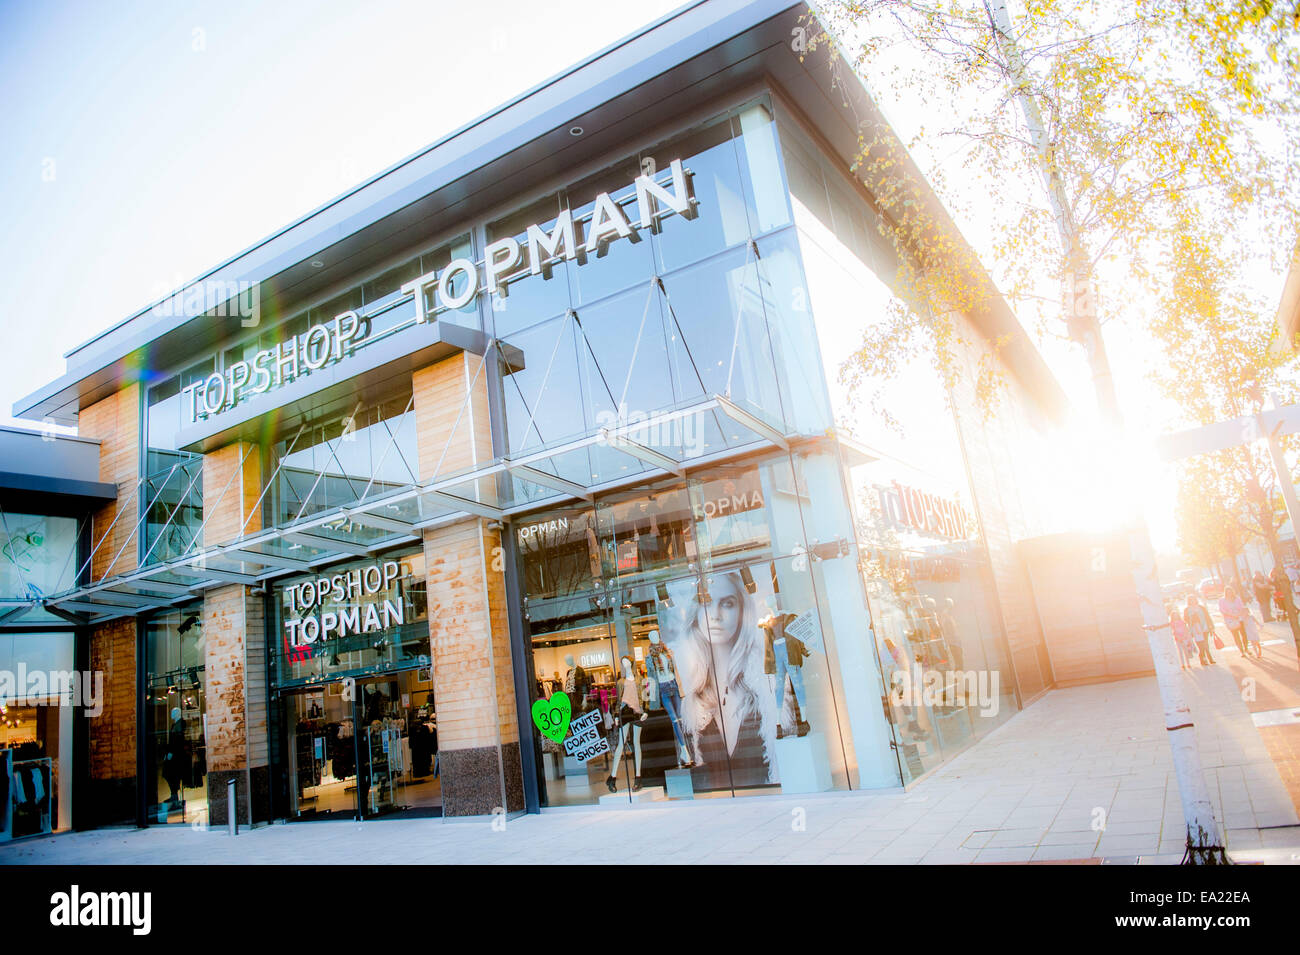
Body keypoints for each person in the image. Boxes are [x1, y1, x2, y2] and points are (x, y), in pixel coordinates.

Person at [671, 569, 776, 790]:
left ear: (741, 611)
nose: (715, 615)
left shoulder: (763, 686)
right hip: (713, 802)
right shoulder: (694, 696)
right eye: (707, 603)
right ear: (696, 612)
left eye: (727, 603)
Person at [1183, 594, 1216, 666]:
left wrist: (1211, 626)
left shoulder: (1201, 607)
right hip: (1195, 630)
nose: (1192, 601)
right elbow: (1185, 620)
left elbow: (1207, 617)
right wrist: (1192, 618)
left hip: (1204, 628)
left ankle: (1210, 658)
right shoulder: (1187, 610)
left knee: (1206, 644)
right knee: (1200, 645)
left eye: (1193, 599)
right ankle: (1203, 658)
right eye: (1191, 600)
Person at [1218, 584, 1250, 656]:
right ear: (1225, 592)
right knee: (1236, 636)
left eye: (1230, 591)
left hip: (1240, 618)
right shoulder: (1222, 600)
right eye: (1228, 592)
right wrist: (1232, 615)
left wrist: (1239, 614)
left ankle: (1246, 648)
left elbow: (1241, 607)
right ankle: (1241, 651)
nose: (1229, 593)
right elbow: (1222, 610)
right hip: (1230, 620)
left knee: (1244, 634)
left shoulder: (1237, 598)